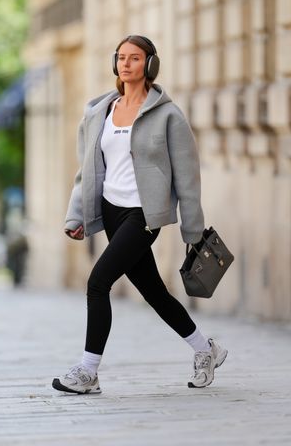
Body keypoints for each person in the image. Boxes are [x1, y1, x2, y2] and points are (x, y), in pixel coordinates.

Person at [52, 35, 227, 395]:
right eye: (121, 58)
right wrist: (77, 216)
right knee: (155, 293)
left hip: (144, 215)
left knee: (98, 282)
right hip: (111, 212)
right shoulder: (99, 111)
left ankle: (88, 371)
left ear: (150, 65)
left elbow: (188, 176)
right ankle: (205, 349)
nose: (126, 64)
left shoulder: (168, 115)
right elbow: (86, 170)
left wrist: (193, 231)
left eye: (135, 58)